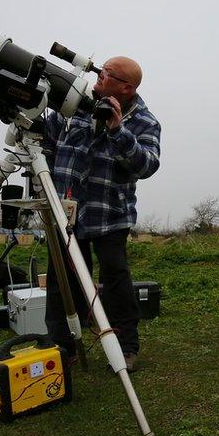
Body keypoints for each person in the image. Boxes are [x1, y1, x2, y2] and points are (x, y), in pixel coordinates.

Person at [43, 55, 160, 373]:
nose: (98, 75)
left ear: (126, 87)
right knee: (62, 281)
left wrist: (118, 130)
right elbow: (48, 137)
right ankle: (62, 347)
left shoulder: (146, 122)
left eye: (106, 73)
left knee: (116, 279)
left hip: (109, 212)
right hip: (67, 209)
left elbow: (147, 165)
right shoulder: (75, 102)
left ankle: (125, 347)